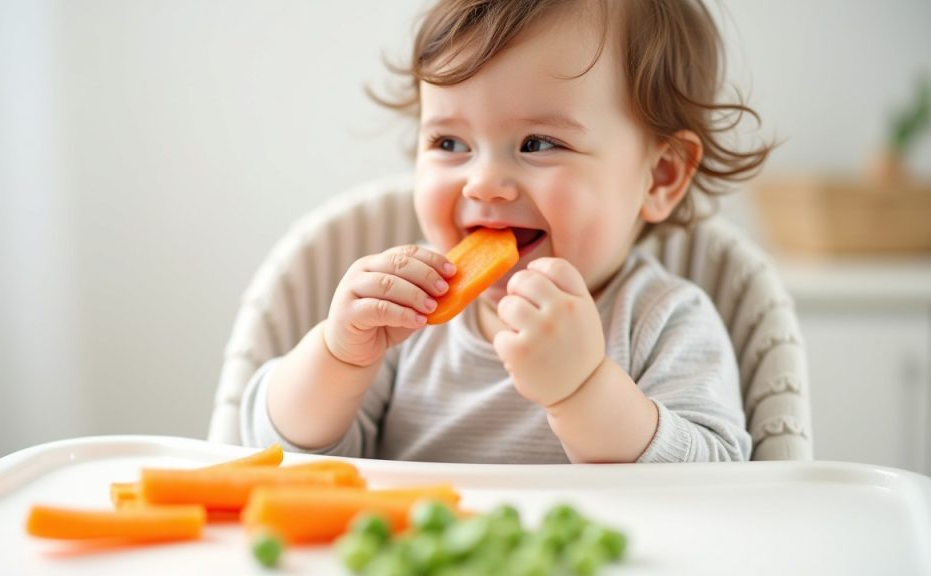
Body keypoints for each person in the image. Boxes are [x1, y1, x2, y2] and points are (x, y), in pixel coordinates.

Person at [241, 0, 771, 464]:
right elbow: (278, 455)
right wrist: (337, 357)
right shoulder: (406, 310)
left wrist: (583, 391)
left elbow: (717, 481)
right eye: (450, 143)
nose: (484, 183)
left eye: (538, 143)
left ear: (661, 175)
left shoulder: (665, 320)